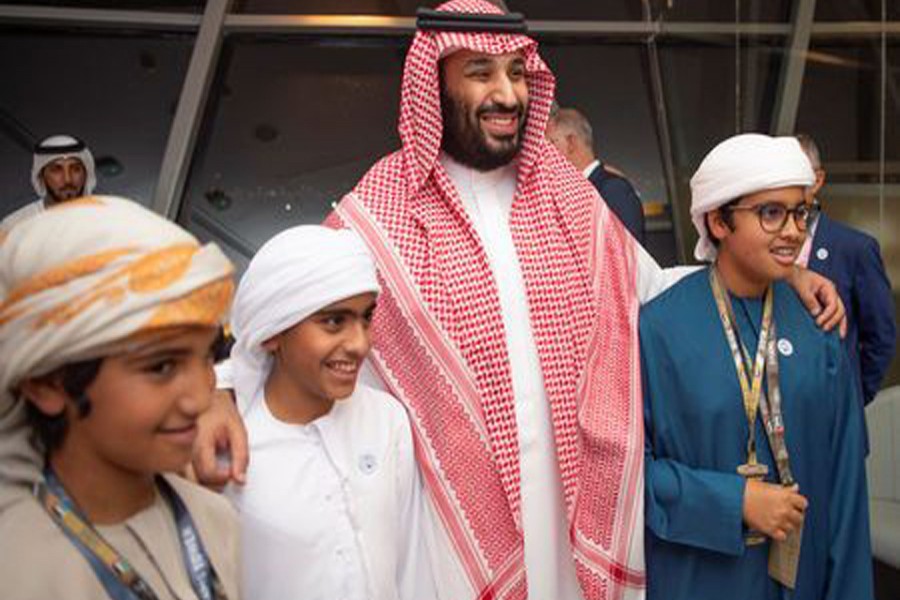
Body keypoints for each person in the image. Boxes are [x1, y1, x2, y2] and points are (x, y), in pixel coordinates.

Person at [194, 3, 844, 599]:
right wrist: (221, 392)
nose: (507, 94)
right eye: (480, 73)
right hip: (450, 529)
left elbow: (653, 289)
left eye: (516, 73)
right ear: (435, 83)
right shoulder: (380, 213)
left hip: (573, 515)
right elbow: (289, 312)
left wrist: (780, 276)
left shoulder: (562, 193)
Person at [641, 134, 873, 600]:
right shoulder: (657, 328)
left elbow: (848, 486)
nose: (793, 231)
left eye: (800, 212)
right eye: (771, 213)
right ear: (718, 221)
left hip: (802, 580)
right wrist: (734, 501)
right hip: (699, 581)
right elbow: (625, 476)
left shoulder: (818, 325)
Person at [0, 196, 239, 599]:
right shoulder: (16, 569)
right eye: (161, 367)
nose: (199, 398)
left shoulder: (218, 521)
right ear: (45, 384)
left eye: (207, 359)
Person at [225, 225, 435, 600]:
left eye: (366, 318)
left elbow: (413, 568)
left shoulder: (387, 420)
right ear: (272, 333)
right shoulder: (232, 446)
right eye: (334, 321)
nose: (359, 343)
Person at [795, 133, 896, 406]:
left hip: (834, 413)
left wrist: (853, 397)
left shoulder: (855, 248)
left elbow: (881, 336)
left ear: (818, 180)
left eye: (796, 175)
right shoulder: (763, 251)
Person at [546, 106, 646, 244]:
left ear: (571, 142)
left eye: (550, 144)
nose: (544, 157)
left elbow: (626, 253)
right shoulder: (574, 192)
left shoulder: (613, 189)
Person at [1, 134, 97, 232]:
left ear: (86, 174)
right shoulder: (14, 226)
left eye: (75, 169)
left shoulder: (103, 219)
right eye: (56, 170)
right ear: (41, 176)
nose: (68, 179)